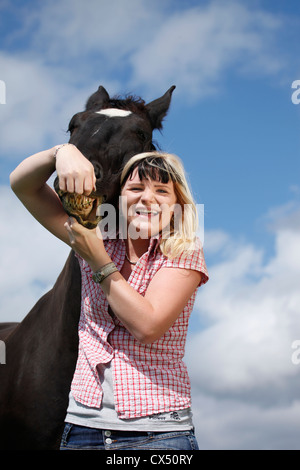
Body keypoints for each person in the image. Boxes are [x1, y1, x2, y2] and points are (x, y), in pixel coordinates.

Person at [10, 144, 208, 450]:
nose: (147, 198)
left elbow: (148, 325)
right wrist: (61, 152)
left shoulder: (183, 252)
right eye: (137, 187)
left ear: (176, 203)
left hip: (157, 434)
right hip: (81, 431)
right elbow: (23, 185)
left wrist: (98, 261)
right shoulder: (94, 236)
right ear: (120, 199)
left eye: (161, 191)